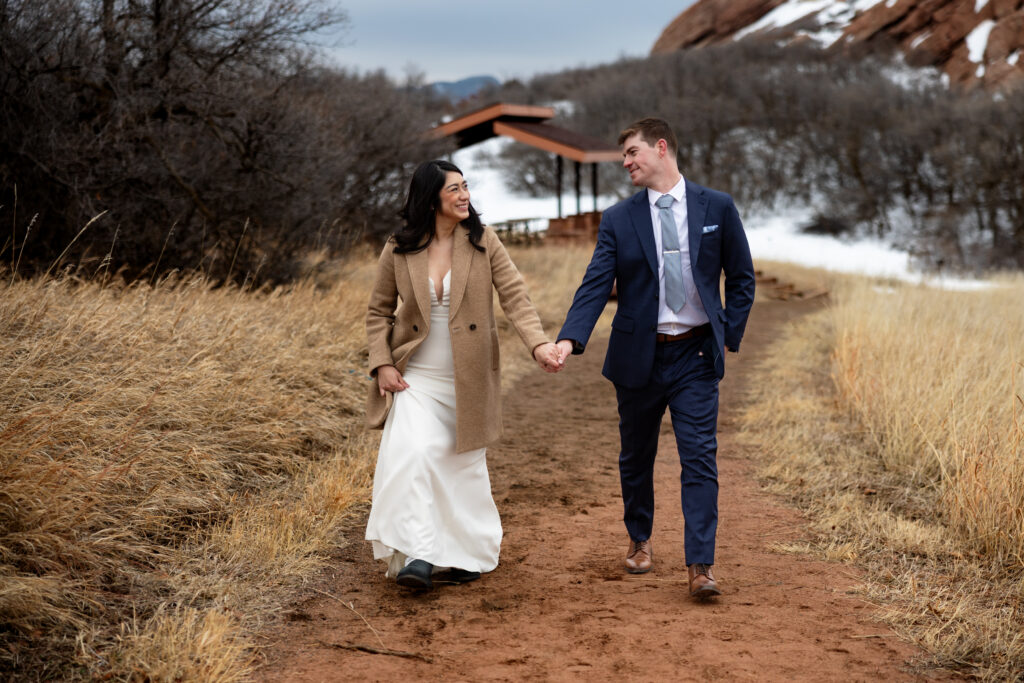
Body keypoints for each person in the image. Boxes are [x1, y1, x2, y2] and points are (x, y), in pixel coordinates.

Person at [555, 118, 755, 599]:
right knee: (636, 456)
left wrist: (730, 332)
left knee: (700, 460)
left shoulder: (717, 207)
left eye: (631, 152)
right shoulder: (619, 219)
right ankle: (640, 539)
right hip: (638, 356)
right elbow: (595, 284)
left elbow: (742, 277)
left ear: (661, 147)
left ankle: (701, 565)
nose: (626, 162)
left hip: (696, 354)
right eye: (624, 155)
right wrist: (569, 339)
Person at [365, 159, 562, 591]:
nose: (464, 195)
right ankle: (419, 553)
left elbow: (515, 298)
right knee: (414, 455)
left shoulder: (483, 241)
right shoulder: (399, 246)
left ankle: (464, 554)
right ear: (430, 197)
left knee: (460, 467)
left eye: (466, 186)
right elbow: (379, 311)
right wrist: (382, 362)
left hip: (468, 377)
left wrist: (538, 344)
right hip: (415, 377)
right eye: (454, 189)